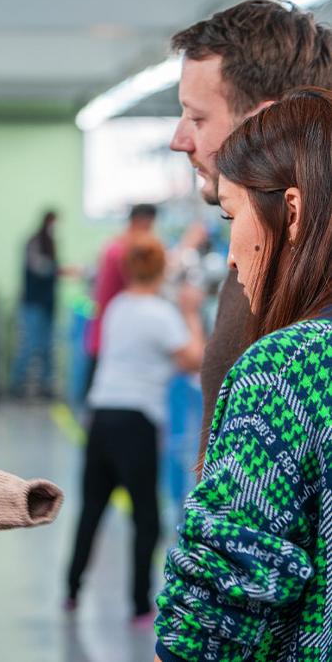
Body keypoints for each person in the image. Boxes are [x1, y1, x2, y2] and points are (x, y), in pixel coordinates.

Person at [154, 86, 332, 660]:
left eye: (232, 215)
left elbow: (214, 615)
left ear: (295, 212)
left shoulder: (288, 369)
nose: (231, 255)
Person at [168, 0, 332, 471]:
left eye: (197, 119)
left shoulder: (291, 284)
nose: (180, 139)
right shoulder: (264, 257)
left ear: (265, 123)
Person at [65, 234, 204, 623]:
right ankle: (140, 605)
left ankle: (71, 590)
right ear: (162, 269)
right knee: (146, 519)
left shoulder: (116, 308)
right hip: (136, 423)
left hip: (101, 417)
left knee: (91, 509)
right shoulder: (162, 315)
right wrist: (190, 311)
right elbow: (196, 360)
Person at [84, 203, 157, 390]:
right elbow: (145, 283)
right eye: (149, 228)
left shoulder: (115, 246)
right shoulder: (123, 253)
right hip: (108, 336)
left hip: (105, 332)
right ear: (141, 223)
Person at [10, 209, 60, 398]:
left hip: (47, 303)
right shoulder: (34, 242)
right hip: (33, 303)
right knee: (29, 345)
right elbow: (40, 268)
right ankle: (18, 385)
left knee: (47, 347)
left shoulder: (50, 243)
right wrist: (59, 270)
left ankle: (46, 386)